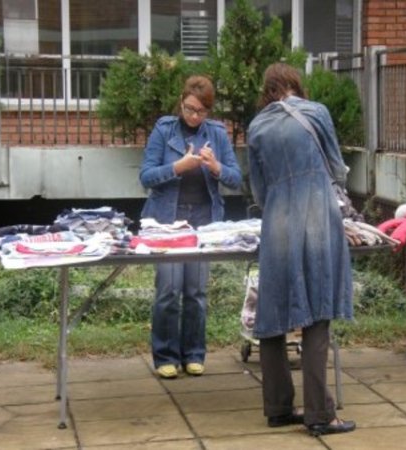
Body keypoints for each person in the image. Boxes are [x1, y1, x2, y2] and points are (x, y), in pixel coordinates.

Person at [246, 62, 356, 436]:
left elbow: (258, 190)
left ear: (268, 89)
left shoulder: (257, 126)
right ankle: (320, 414)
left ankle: (278, 407)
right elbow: (338, 168)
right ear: (295, 84)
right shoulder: (317, 113)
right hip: (317, 219)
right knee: (317, 313)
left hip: (276, 220)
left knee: (272, 311)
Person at [139, 75, 242, 379]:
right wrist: (177, 168)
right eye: (189, 109)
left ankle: (194, 354)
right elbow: (145, 176)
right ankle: (165, 356)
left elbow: (236, 179)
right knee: (168, 290)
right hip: (166, 220)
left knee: (196, 291)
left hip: (203, 220)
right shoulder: (164, 128)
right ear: (181, 102)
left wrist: (216, 167)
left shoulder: (218, 134)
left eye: (201, 111)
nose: (194, 116)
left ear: (209, 110)